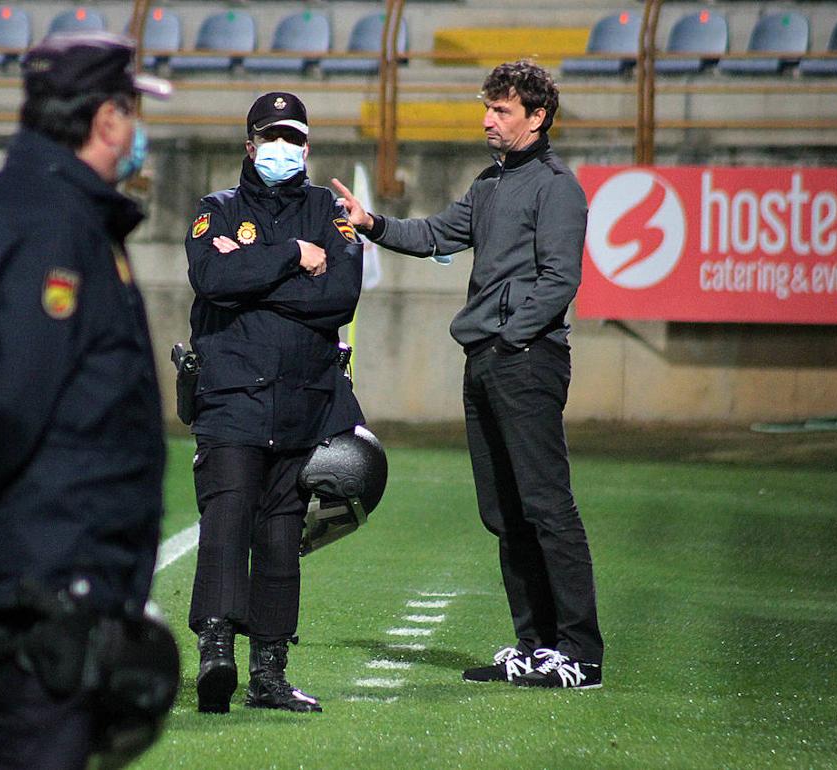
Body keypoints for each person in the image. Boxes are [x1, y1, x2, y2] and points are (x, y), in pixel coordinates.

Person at [0, 33, 174, 769]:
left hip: (59, 555)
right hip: (49, 566)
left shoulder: (54, 208)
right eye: (130, 110)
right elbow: (5, 404)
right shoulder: (49, 221)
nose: (135, 130)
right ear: (106, 119)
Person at [332, 60, 604, 689]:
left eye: (502, 110)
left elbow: (561, 278)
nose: (487, 119)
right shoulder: (489, 185)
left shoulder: (557, 187)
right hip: (484, 361)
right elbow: (435, 233)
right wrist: (372, 225)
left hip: (525, 360)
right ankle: (535, 646)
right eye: (488, 108)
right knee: (504, 511)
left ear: (537, 119)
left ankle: (581, 655)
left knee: (546, 506)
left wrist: (509, 337)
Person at [185, 91, 365, 714]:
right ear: (249, 143)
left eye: (292, 137)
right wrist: (292, 257)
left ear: (308, 147)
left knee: (283, 535)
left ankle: (269, 672)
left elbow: (339, 297)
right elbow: (211, 279)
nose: (281, 148)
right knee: (227, 521)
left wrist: (254, 277)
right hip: (231, 397)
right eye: (270, 136)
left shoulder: (331, 212)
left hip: (303, 403)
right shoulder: (216, 209)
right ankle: (217, 656)